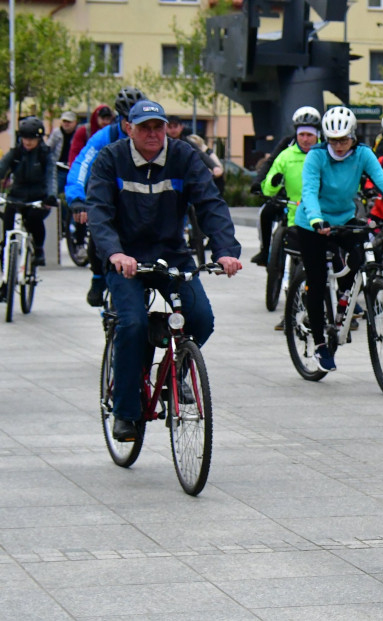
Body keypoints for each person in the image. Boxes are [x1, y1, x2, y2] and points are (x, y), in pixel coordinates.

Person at [87, 100, 242, 442]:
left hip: (172, 256)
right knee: (133, 324)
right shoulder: (110, 159)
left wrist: (226, 251)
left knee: (201, 319)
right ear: (129, 128)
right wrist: (114, 253)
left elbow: (210, 203)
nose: (153, 134)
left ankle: (177, 368)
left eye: (158, 127)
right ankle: (126, 413)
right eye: (144, 128)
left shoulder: (184, 156)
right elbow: (98, 212)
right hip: (125, 260)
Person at [294, 106, 383, 373]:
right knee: (315, 282)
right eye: (333, 140)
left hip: (344, 217)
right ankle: (319, 345)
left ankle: (344, 304)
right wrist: (316, 218)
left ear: (353, 136)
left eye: (344, 139)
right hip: (312, 223)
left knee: (361, 255)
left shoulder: (363, 154)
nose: (339, 146)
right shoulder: (316, 157)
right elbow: (309, 190)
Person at [66, 86, 147, 306]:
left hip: (140, 199)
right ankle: (98, 278)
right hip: (108, 196)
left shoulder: (151, 137)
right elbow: (81, 165)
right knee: (99, 238)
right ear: (121, 119)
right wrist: (77, 199)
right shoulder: (104, 137)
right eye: (129, 122)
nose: (134, 128)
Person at [251, 106, 322, 265]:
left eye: (309, 135)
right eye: (301, 134)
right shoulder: (287, 147)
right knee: (266, 212)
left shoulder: (326, 151)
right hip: (289, 194)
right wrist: (260, 183)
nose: (305, 139)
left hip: (319, 204)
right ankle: (265, 251)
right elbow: (271, 163)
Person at [0, 116, 57, 293]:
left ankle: (38, 250)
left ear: (39, 138)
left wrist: (51, 196)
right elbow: (2, 168)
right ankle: (5, 272)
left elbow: (51, 176)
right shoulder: (15, 153)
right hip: (17, 196)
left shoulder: (45, 154)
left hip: (38, 198)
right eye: (25, 138)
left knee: (34, 219)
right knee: (7, 225)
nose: (28, 142)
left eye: (32, 138)